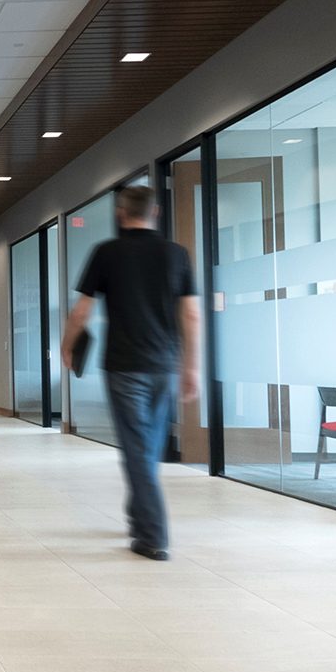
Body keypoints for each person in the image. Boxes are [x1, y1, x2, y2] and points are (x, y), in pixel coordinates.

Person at [61, 186, 201, 562]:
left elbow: (81, 311)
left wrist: (67, 344)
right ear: (154, 212)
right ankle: (140, 519)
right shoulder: (176, 254)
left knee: (138, 449)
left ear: (121, 213)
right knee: (147, 447)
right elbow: (191, 315)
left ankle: (153, 536)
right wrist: (191, 365)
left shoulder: (107, 252)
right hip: (164, 366)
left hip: (124, 366)